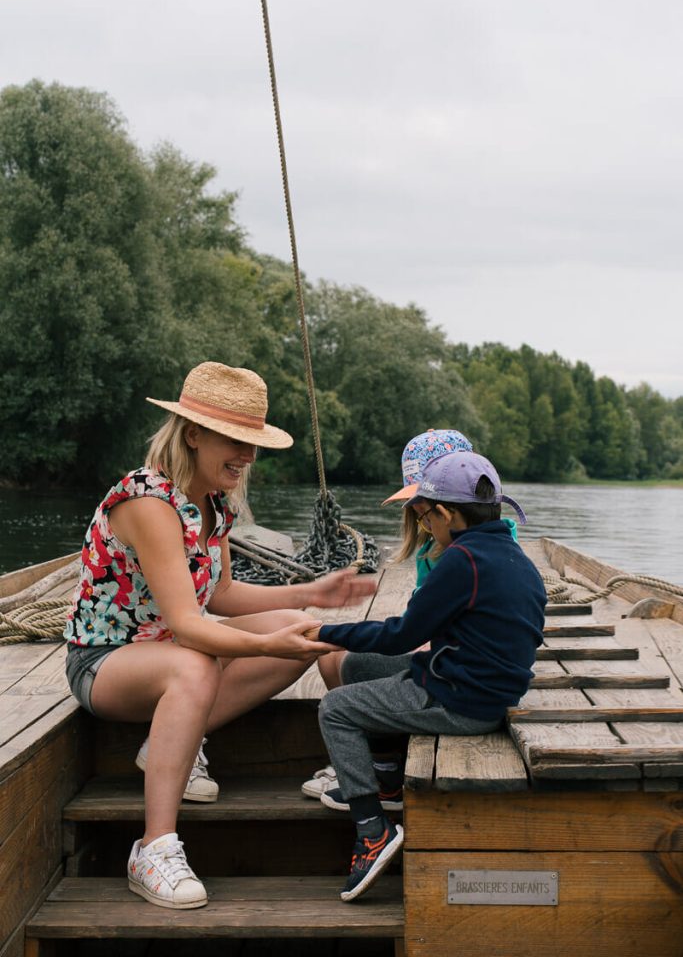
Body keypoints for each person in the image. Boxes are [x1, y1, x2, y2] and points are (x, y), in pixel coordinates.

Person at [64, 361, 374, 910]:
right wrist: (266, 646)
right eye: (236, 440)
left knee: (299, 628)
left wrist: (310, 595)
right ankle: (153, 847)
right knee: (198, 662)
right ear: (194, 434)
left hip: (169, 650)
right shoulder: (149, 501)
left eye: (253, 442)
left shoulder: (213, 503)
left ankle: (167, 743)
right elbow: (189, 625)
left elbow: (223, 595)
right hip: (107, 661)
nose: (249, 456)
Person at [304, 451, 546, 901]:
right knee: (356, 666)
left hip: (462, 702)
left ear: (448, 514)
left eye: (426, 517)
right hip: (482, 684)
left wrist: (325, 631)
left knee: (336, 708)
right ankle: (386, 780)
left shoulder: (462, 561)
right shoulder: (514, 556)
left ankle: (372, 830)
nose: (424, 528)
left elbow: (401, 635)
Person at [302, 428, 476, 800]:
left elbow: (413, 632)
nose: (417, 511)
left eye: (423, 501)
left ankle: (379, 767)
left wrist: (336, 631)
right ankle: (362, 756)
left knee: (344, 659)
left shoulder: (465, 556)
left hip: (448, 674)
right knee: (331, 658)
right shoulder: (434, 548)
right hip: (436, 659)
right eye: (414, 502)